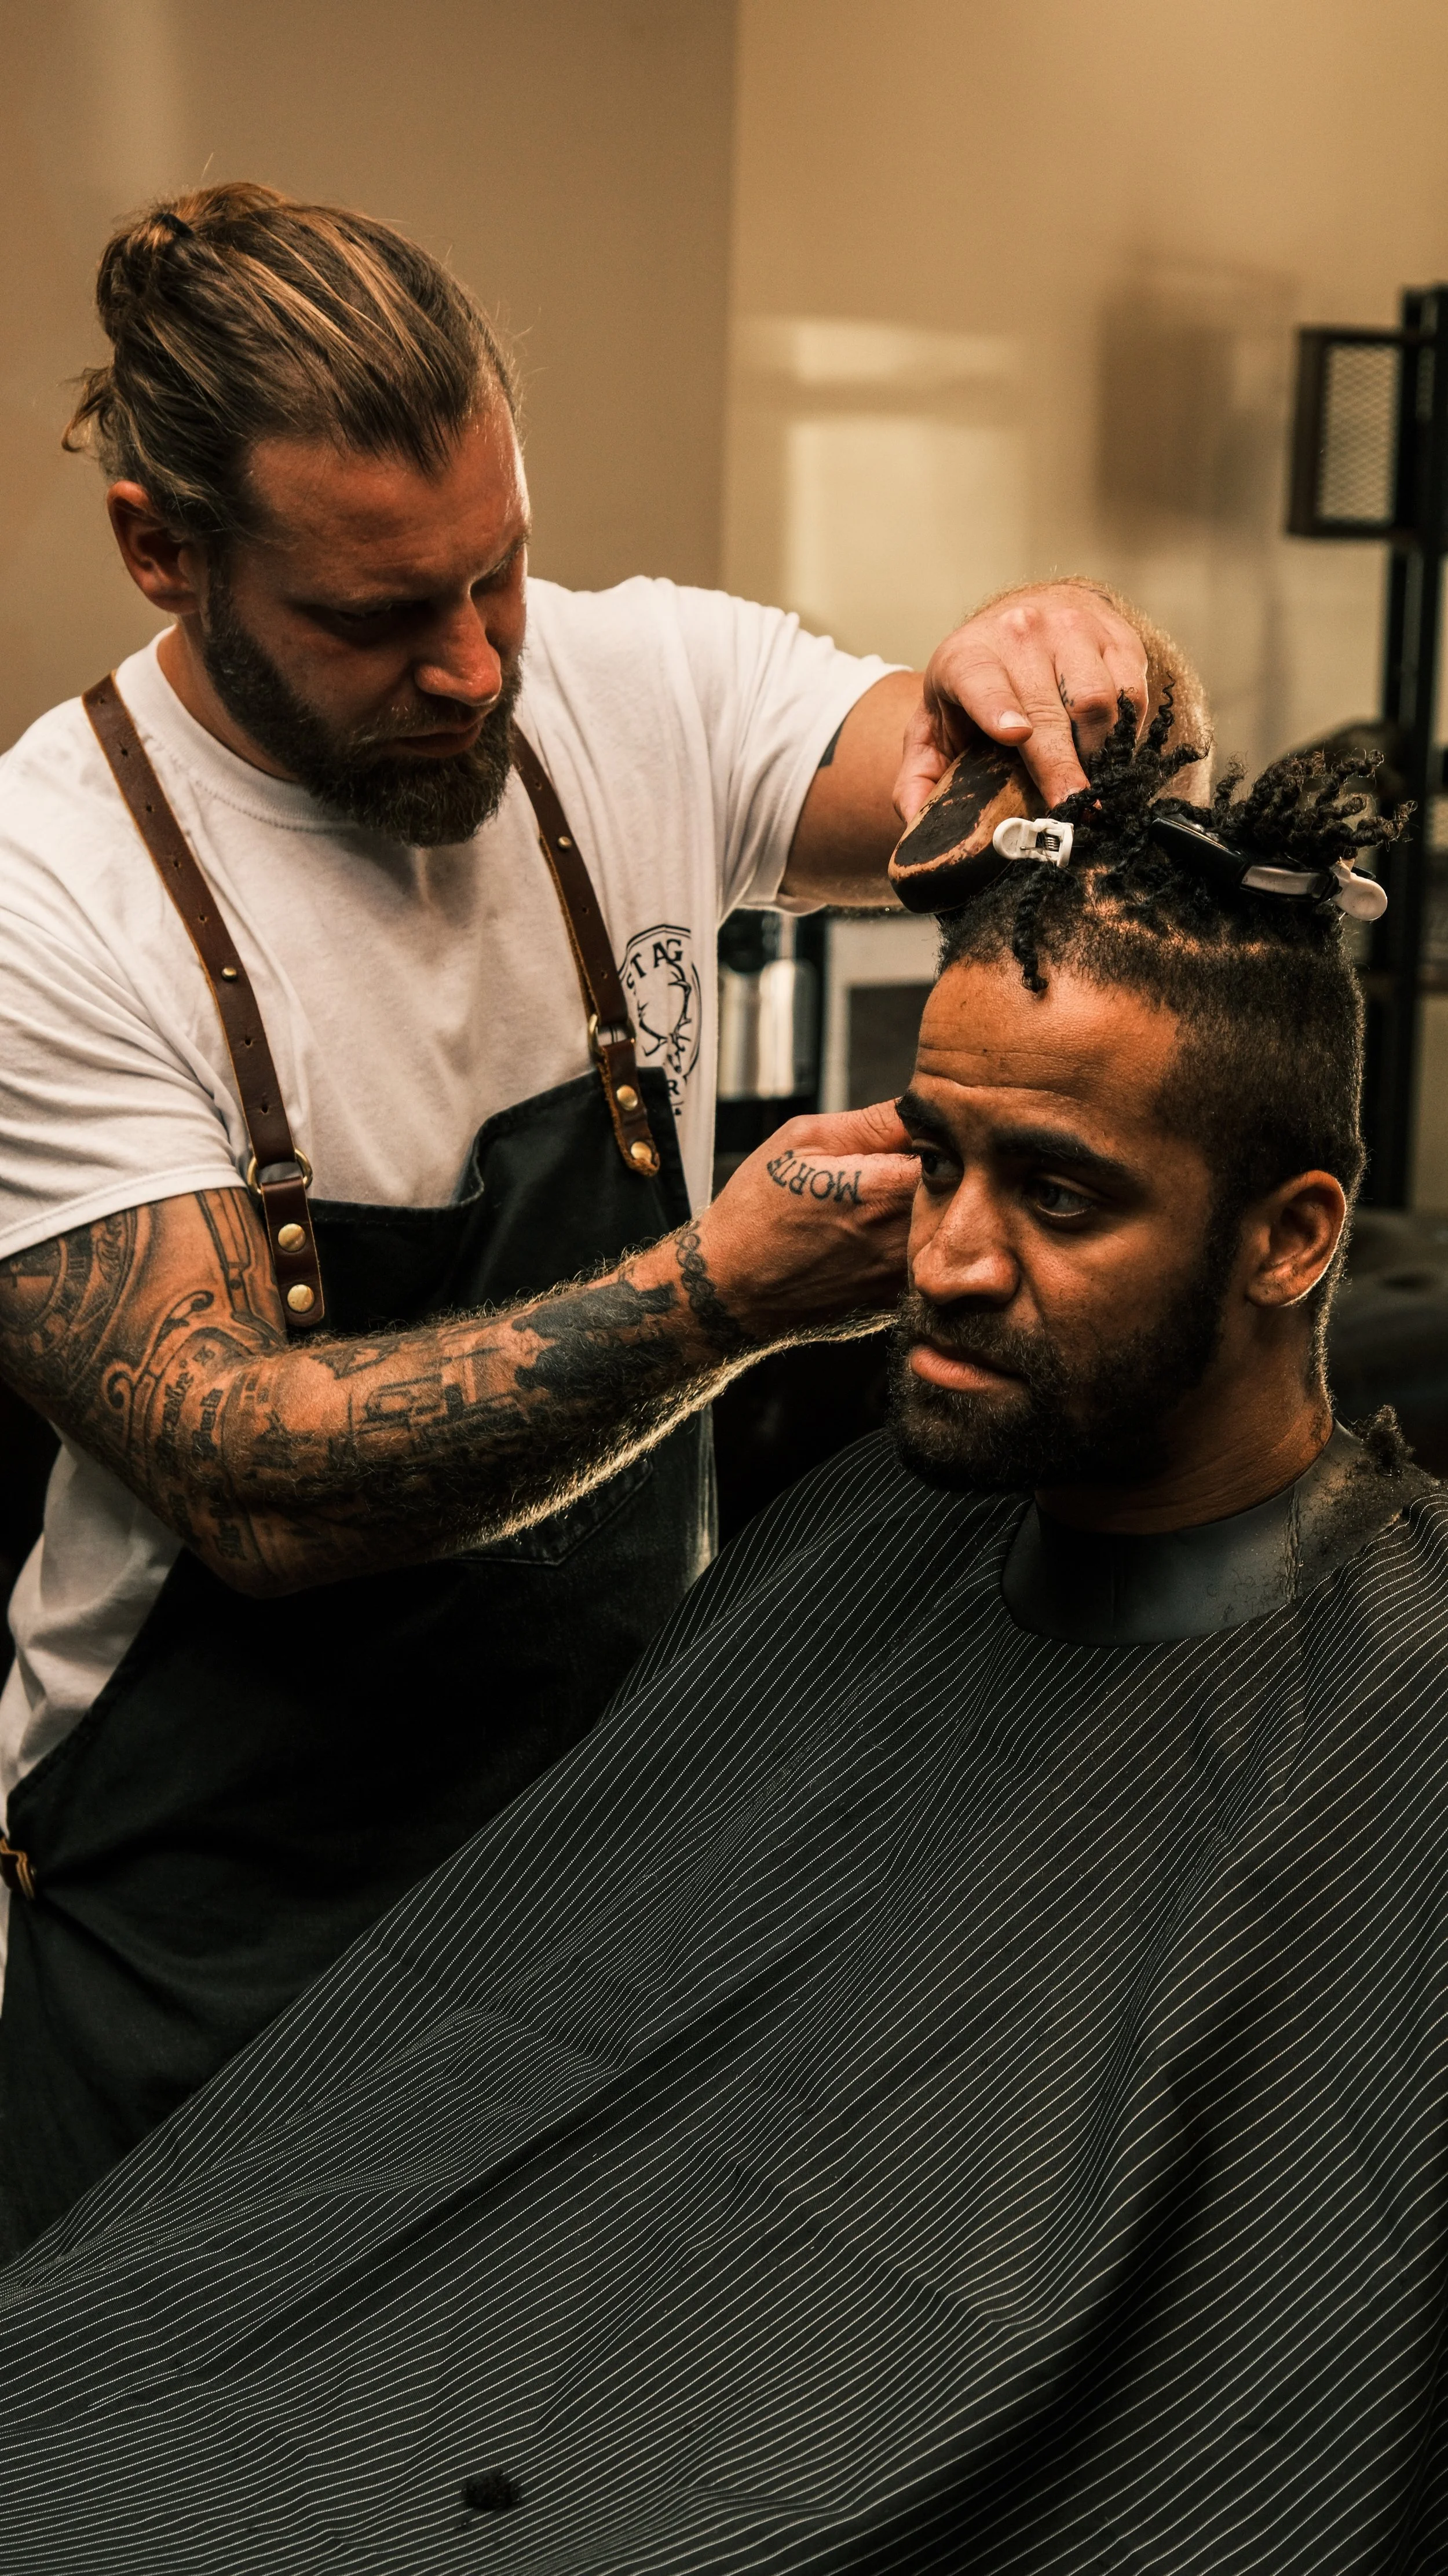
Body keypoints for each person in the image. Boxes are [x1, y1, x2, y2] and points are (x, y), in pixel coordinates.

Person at [0, 712, 1434, 2575]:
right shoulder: (860, 1539)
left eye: (1058, 1195)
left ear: (1289, 1238)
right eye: (937, 1160)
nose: (947, 1256)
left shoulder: (1398, 1706)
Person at [0, 180, 1176, 2248]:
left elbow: (996, 775)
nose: (471, 668)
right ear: (161, 551)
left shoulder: (636, 690)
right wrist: (713, 1301)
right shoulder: (50, 897)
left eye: (501, 575)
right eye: (375, 618)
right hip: (208, 1932)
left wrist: (1067, 667)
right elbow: (242, 1479)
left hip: (590, 1855)